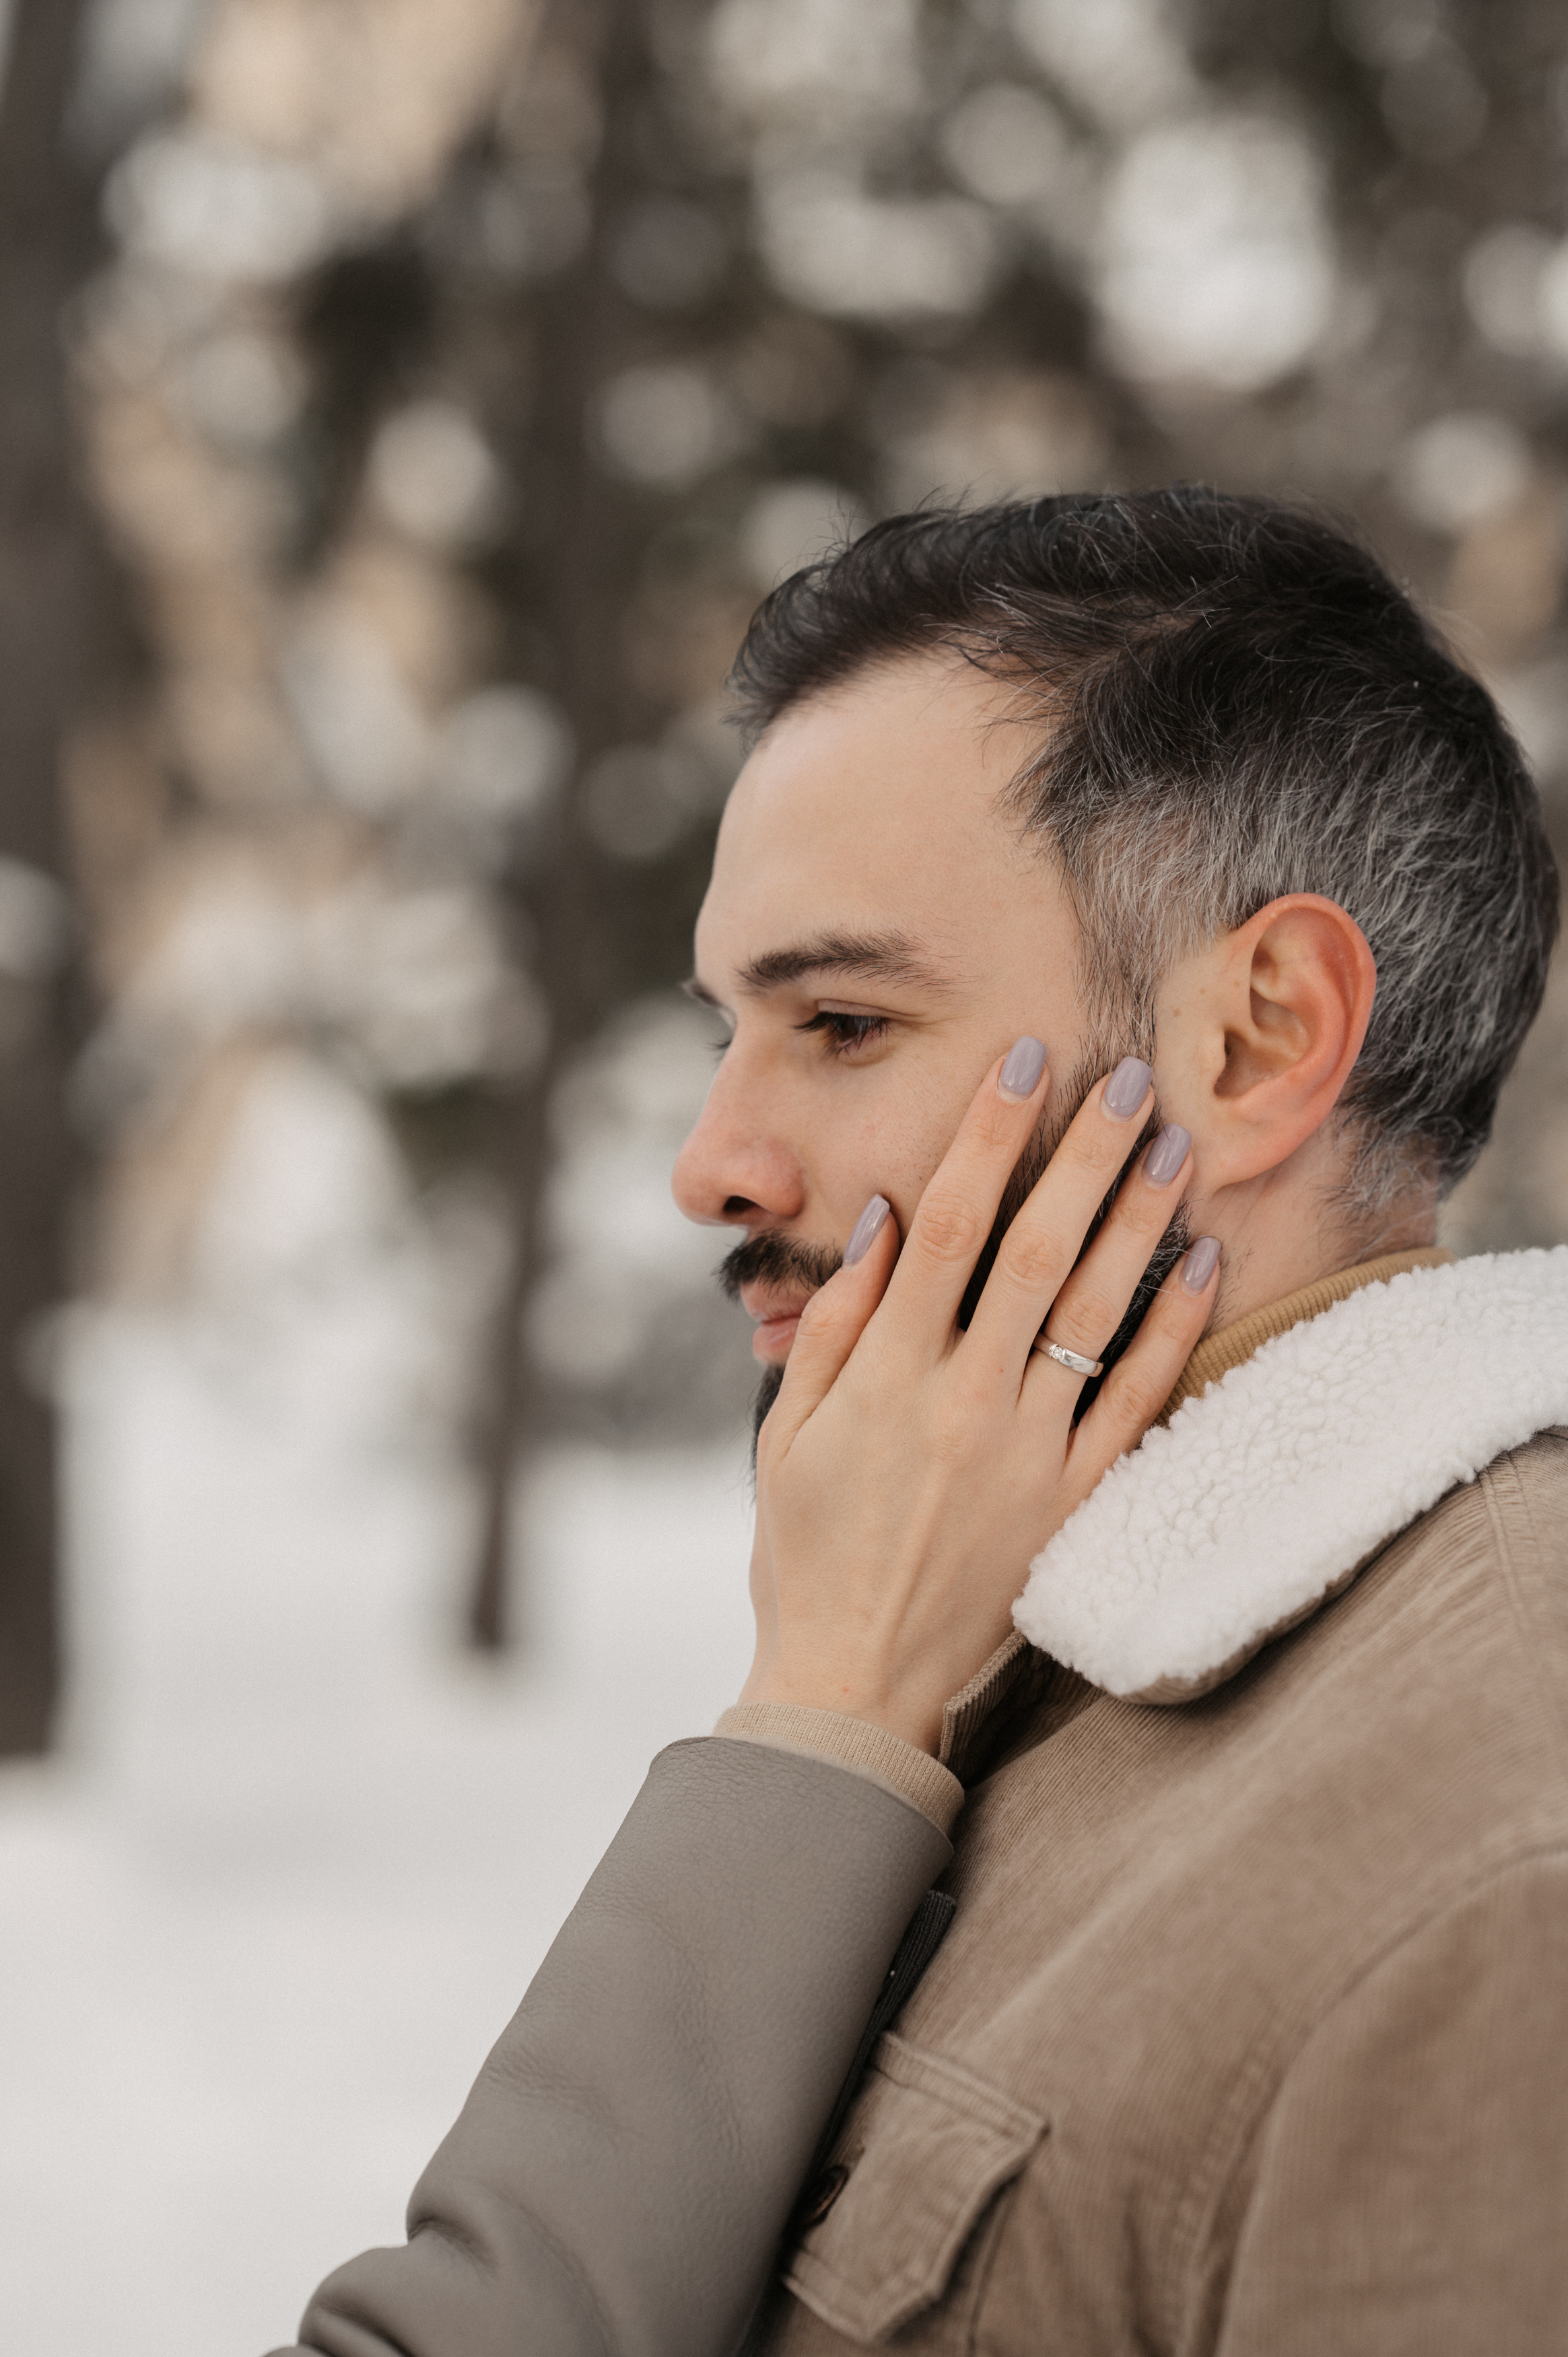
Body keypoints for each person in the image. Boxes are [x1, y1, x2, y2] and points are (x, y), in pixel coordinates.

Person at [273, 489, 1568, 2357]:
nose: (708, 1164)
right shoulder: (1005, 1673)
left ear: (1257, 1039)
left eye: (843, 1021)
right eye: (728, 1026)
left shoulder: (1494, 1891)